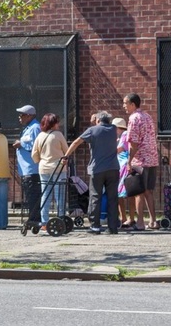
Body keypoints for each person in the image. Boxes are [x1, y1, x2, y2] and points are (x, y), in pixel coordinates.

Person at [63, 111, 119, 234]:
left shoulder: (92, 130)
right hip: (113, 168)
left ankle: (95, 226)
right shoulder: (114, 129)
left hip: (97, 169)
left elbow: (77, 142)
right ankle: (113, 227)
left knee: (95, 197)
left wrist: (66, 156)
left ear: (98, 121)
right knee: (112, 198)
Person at [123, 93, 159, 230]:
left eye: (125, 103)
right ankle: (153, 221)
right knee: (149, 191)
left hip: (141, 159)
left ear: (132, 104)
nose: (124, 106)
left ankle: (140, 222)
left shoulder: (133, 118)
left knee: (139, 191)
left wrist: (129, 161)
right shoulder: (147, 116)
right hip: (152, 158)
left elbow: (134, 143)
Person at [30, 113, 69, 232]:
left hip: (43, 168)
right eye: (57, 122)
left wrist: (41, 161)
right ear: (53, 123)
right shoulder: (58, 135)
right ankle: (60, 219)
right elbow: (66, 151)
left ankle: (44, 222)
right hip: (58, 168)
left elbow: (34, 155)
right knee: (59, 196)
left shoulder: (40, 136)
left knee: (45, 195)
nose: (58, 124)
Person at [13, 105, 42, 229]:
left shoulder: (35, 127)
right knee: (30, 197)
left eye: (22, 115)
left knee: (33, 197)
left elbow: (35, 146)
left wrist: (21, 143)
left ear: (29, 115)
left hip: (32, 170)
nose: (20, 117)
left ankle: (35, 220)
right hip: (26, 170)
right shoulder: (28, 128)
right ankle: (34, 219)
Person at [113, 117, 136, 229]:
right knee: (124, 194)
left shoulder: (124, 135)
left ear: (117, 128)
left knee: (125, 194)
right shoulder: (121, 136)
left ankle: (128, 218)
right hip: (121, 166)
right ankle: (127, 218)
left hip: (123, 167)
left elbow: (120, 149)